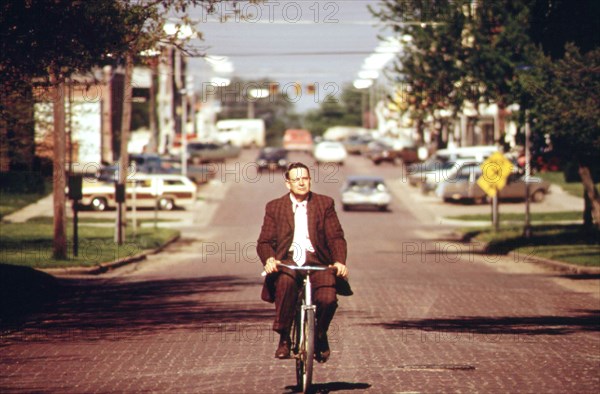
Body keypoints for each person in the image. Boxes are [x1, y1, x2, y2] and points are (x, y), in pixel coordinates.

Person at [257, 162, 350, 363]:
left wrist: (339, 261)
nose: (301, 182)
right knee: (286, 283)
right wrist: (270, 259)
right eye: (296, 179)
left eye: (305, 178)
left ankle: (319, 334)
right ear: (287, 183)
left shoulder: (324, 203)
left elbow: (336, 237)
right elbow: (264, 242)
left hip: (319, 261)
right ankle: (284, 337)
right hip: (288, 261)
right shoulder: (275, 207)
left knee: (327, 299)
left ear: (310, 180)